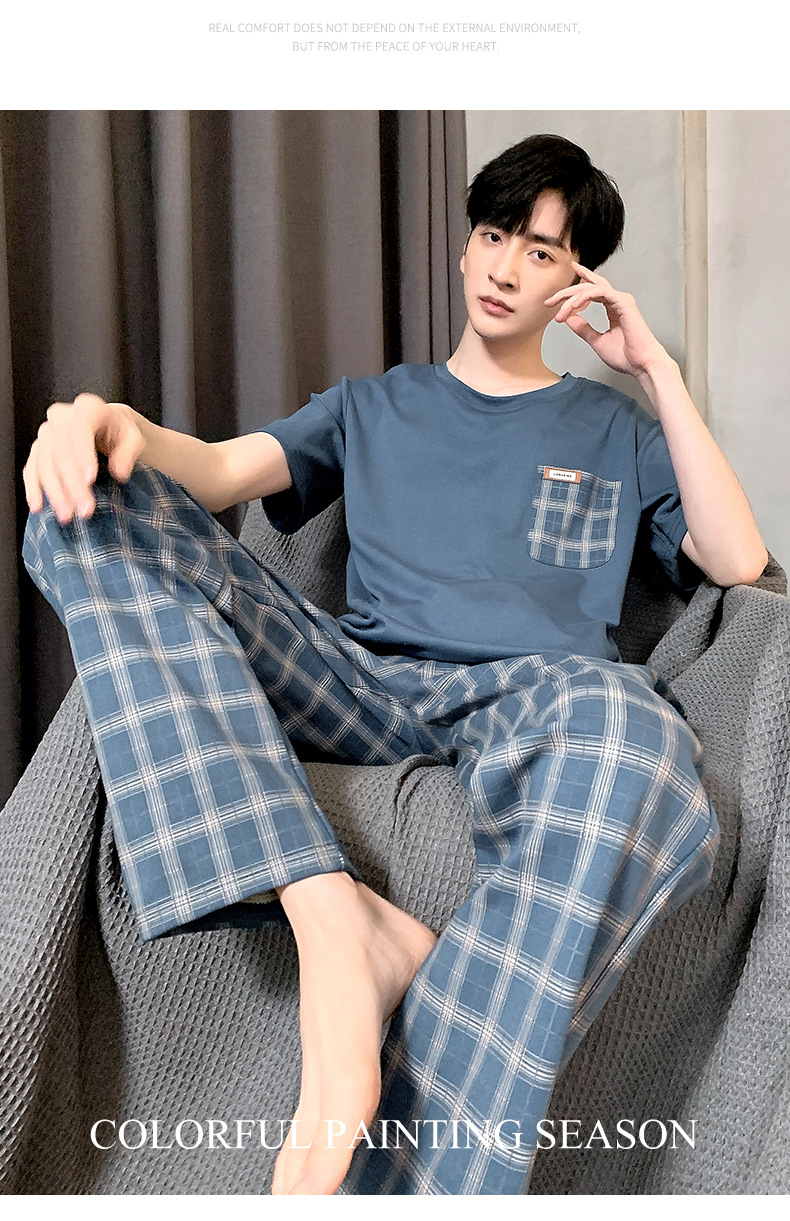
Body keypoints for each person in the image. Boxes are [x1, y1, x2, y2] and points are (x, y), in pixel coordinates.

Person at [21, 133, 768, 1196]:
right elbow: (216, 471)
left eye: (543, 252)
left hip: (537, 698)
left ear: (578, 283)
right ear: (465, 247)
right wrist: (106, 423)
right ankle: (331, 912)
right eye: (495, 235)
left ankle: (404, 1188)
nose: (507, 267)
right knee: (80, 517)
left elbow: (736, 560)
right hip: (360, 684)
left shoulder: (616, 426)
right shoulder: (373, 405)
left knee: (635, 738)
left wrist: (656, 371)